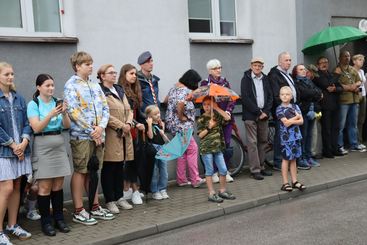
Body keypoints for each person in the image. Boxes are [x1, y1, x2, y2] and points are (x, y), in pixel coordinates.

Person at [64, 51, 114, 226]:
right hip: (82, 135)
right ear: (78, 66)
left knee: (93, 171)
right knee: (81, 170)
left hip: (98, 134)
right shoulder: (71, 85)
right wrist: (91, 130)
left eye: (92, 63)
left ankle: (94, 206)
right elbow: (73, 111)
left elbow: (105, 108)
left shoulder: (94, 85)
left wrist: (100, 128)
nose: (91, 66)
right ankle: (78, 210)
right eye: (87, 64)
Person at [27, 74, 71, 236]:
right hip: (42, 146)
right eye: (47, 85)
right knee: (44, 187)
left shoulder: (57, 102)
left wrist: (64, 113)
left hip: (59, 144)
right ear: (39, 87)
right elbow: (36, 128)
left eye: (52, 85)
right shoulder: (33, 104)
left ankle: (59, 219)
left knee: (58, 186)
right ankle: (46, 222)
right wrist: (51, 115)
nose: (51, 88)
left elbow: (66, 126)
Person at [0, 62, 32, 244]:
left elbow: (27, 122)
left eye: (12, 74)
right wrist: (13, 145)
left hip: (21, 148)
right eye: (6, 74)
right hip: (4, 150)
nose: (10, 77)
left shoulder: (19, 98)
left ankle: (12, 225)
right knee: (6, 188)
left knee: (17, 187)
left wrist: (24, 142)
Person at [97, 64, 134, 213]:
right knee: (109, 167)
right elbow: (104, 113)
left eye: (114, 72)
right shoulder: (100, 91)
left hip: (124, 133)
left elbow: (129, 109)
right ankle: (110, 200)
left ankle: (120, 197)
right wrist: (120, 125)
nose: (114, 75)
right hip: (112, 134)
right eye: (110, 73)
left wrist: (129, 123)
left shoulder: (119, 89)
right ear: (102, 75)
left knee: (120, 167)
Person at [268, 52, 309, 170]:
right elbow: (276, 95)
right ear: (279, 61)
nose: (289, 62)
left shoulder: (287, 74)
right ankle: (278, 161)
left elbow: (294, 89)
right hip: (283, 109)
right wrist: (284, 108)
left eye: (290, 60)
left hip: (293, 107)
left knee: (294, 135)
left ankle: (294, 160)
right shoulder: (274, 75)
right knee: (281, 136)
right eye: (286, 60)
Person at [165, 69, 205, 188]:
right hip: (182, 126)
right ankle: (195, 179)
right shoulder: (184, 90)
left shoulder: (174, 88)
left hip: (172, 124)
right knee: (193, 149)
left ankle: (181, 179)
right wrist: (181, 115)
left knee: (182, 152)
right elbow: (180, 104)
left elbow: (165, 100)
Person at [201, 59, 234, 183]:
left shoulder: (225, 82)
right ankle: (214, 172)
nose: (219, 70)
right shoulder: (205, 83)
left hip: (226, 118)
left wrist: (229, 111)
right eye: (215, 68)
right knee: (214, 146)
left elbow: (232, 98)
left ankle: (224, 171)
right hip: (213, 119)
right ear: (210, 70)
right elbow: (203, 102)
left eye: (220, 67)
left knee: (226, 145)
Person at [197, 97, 236, 203]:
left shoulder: (217, 116)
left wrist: (217, 108)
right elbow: (200, 135)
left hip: (218, 148)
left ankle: (222, 191)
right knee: (209, 171)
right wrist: (209, 127)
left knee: (223, 170)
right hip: (207, 149)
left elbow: (227, 118)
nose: (206, 107)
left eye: (209, 104)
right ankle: (211, 193)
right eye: (204, 104)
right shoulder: (201, 119)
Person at [241, 57, 273, 180]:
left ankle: (262, 167)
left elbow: (270, 96)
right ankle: (255, 170)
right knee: (252, 143)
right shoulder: (246, 79)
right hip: (251, 115)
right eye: (255, 65)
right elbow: (245, 98)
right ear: (251, 66)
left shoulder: (265, 79)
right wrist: (258, 111)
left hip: (264, 116)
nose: (257, 68)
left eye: (260, 66)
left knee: (263, 141)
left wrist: (265, 112)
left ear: (262, 67)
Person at [118, 64, 145, 205]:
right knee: (130, 162)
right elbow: (125, 114)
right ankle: (133, 190)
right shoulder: (121, 91)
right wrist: (135, 123)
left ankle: (128, 188)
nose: (134, 76)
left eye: (135, 73)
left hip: (135, 132)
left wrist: (144, 122)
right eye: (131, 73)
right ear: (124, 75)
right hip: (126, 131)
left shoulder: (134, 91)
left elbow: (137, 113)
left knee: (133, 161)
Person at [291, 64, 323, 167]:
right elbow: (304, 93)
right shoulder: (296, 82)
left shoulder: (308, 81)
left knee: (309, 136)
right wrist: (314, 93)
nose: (304, 71)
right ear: (296, 72)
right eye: (301, 69)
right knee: (303, 136)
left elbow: (319, 92)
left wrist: (313, 93)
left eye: (304, 69)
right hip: (303, 112)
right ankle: (302, 158)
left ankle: (309, 157)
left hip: (312, 111)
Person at [276, 86, 306, 192]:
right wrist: (296, 118)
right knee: (286, 160)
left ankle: (294, 181)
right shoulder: (279, 109)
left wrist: (293, 120)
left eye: (287, 94)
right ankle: (285, 183)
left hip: (296, 137)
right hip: (286, 139)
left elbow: (301, 121)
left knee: (294, 159)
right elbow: (286, 123)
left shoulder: (295, 106)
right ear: (279, 96)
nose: (285, 96)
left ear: (291, 96)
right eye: (282, 94)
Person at [313, 57, 343, 158]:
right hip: (325, 106)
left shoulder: (331, 74)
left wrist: (335, 88)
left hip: (335, 105)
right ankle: (327, 151)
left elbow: (341, 88)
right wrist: (337, 74)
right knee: (327, 130)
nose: (324, 64)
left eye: (326, 62)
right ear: (318, 65)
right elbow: (326, 84)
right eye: (322, 63)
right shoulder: (317, 76)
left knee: (335, 128)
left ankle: (335, 149)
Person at [334, 51, 364, 153]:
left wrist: (355, 85)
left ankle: (354, 144)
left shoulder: (352, 69)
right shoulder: (337, 70)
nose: (347, 58)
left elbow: (360, 80)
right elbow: (336, 84)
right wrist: (349, 87)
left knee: (353, 124)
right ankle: (340, 146)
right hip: (344, 101)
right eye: (344, 56)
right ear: (340, 58)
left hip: (354, 100)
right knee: (341, 125)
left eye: (348, 56)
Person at [145, 105, 169, 200]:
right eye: (155, 114)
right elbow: (150, 137)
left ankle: (162, 188)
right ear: (149, 116)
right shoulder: (148, 125)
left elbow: (164, 139)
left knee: (164, 169)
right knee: (154, 170)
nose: (158, 115)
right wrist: (150, 125)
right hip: (154, 147)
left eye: (159, 113)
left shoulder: (160, 124)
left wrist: (163, 131)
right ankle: (155, 191)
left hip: (162, 148)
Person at [352, 54, 367, 149]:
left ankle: (360, 140)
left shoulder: (362, 71)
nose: (362, 61)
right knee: (355, 119)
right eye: (360, 60)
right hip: (356, 96)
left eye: (363, 60)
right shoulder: (351, 70)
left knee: (361, 119)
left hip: (363, 95)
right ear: (354, 61)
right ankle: (355, 141)